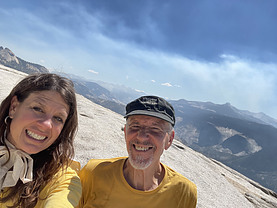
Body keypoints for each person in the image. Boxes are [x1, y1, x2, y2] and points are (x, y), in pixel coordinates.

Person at [78, 95, 197, 208]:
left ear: (170, 139)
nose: (141, 136)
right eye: (135, 126)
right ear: (125, 132)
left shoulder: (184, 192)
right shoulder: (93, 173)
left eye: (155, 129)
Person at [0, 73, 81, 207]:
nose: (46, 125)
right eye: (38, 109)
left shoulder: (60, 179)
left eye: (58, 118)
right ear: (13, 107)